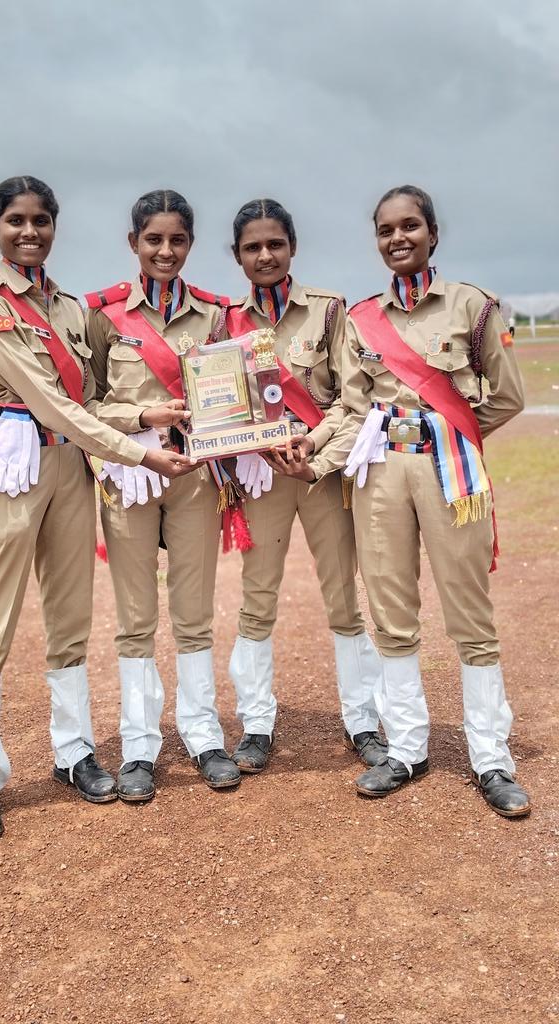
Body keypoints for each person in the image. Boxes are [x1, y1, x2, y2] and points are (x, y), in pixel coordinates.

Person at [0, 176, 195, 841]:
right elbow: (47, 400)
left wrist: (143, 417)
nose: (29, 232)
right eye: (16, 221)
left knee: (70, 617)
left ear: (54, 226)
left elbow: (86, 402)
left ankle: (74, 752)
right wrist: (139, 455)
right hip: (11, 463)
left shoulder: (67, 309)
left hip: (68, 464)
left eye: (41, 220)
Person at [302, 184, 530, 817]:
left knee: (470, 615)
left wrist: (451, 435)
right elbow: (351, 408)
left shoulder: (473, 306)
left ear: (433, 233)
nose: (397, 238)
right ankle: (406, 747)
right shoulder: (360, 320)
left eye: (409, 226)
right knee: (391, 613)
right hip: (379, 474)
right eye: (386, 230)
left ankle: (491, 757)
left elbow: (507, 395)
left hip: (448, 472)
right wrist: (313, 455)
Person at [85, 189, 242, 802]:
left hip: (195, 473)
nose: (166, 250)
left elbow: (235, 394)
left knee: (194, 612)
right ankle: (139, 746)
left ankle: (203, 735)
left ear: (191, 244)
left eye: (177, 240)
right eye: (154, 239)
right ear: (134, 243)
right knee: (135, 618)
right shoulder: (104, 316)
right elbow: (85, 402)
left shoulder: (215, 315)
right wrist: (140, 417)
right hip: (128, 473)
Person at [223, 199, 385, 774]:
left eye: (275, 244)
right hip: (262, 474)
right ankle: (256, 724)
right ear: (238, 255)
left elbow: (351, 398)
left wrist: (310, 445)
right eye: (252, 247)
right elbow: (219, 406)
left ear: (292, 246)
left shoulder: (328, 310)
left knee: (343, 595)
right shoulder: (226, 322)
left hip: (319, 471)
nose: (265, 255)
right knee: (257, 596)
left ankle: (362, 720)